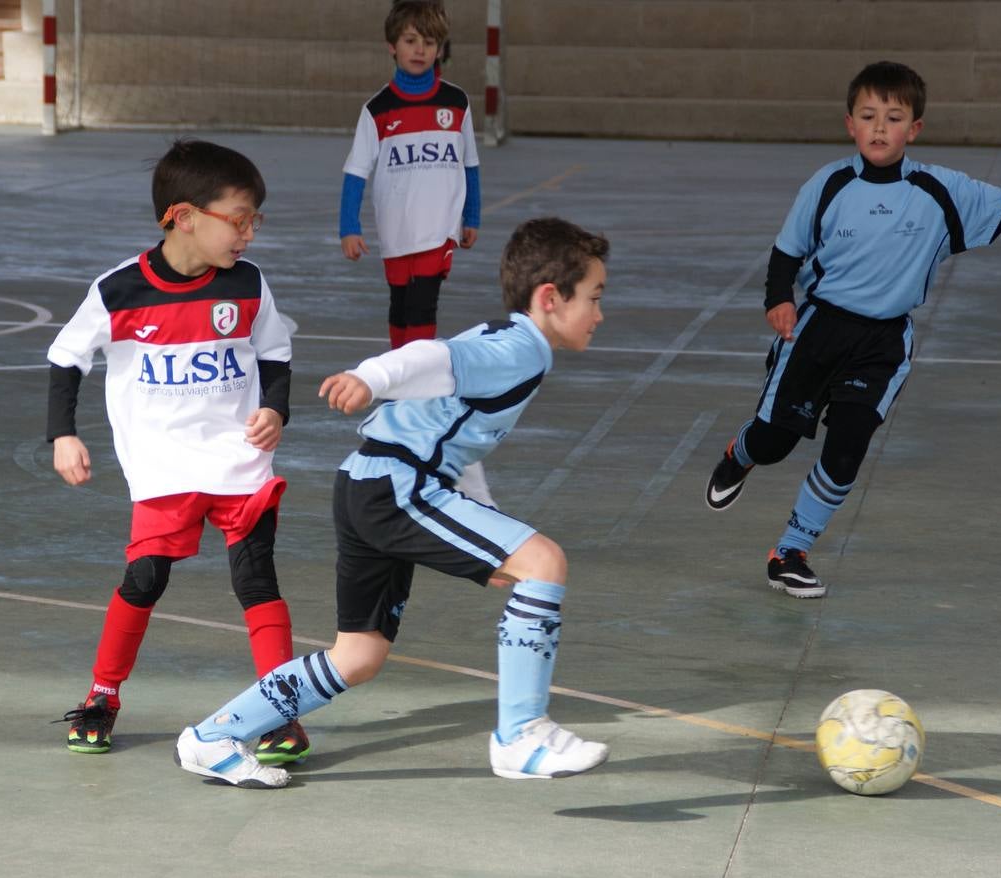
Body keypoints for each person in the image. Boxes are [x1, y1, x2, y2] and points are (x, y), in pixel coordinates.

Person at [175, 217, 610, 788]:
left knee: (358, 657)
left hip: (366, 484)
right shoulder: (522, 350)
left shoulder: (505, 338)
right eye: (595, 298)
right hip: (394, 486)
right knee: (545, 562)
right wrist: (370, 376)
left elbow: (458, 436)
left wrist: (489, 522)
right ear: (551, 298)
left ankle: (212, 736)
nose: (601, 314)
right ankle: (521, 734)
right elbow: (432, 359)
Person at [705, 60, 1001, 598]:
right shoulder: (828, 184)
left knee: (847, 447)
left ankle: (791, 550)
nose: (878, 127)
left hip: (884, 343)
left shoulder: (940, 191)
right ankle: (741, 453)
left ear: (913, 129)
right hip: (818, 330)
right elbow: (787, 252)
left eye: (893, 118)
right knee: (775, 442)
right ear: (850, 123)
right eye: (868, 116)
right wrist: (779, 299)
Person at [47, 139, 309, 764]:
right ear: (185, 216)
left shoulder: (247, 284)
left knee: (256, 578)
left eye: (255, 220)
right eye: (238, 219)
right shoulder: (120, 291)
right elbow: (66, 357)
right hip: (163, 465)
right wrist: (63, 433)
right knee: (145, 578)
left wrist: (275, 408)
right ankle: (102, 696)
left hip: (239, 459)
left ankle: (281, 712)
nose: (248, 234)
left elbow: (276, 353)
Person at [339, 0, 481, 350]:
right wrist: (349, 227)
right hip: (396, 228)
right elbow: (356, 171)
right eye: (411, 40)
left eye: (429, 43)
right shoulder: (377, 110)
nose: (420, 50)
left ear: (439, 49)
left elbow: (470, 164)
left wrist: (472, 216)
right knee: (400, 305)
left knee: (422, 304)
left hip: (439, 229)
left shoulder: (456, 103)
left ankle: (415, 384)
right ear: (392, 45)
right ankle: (400, 375)